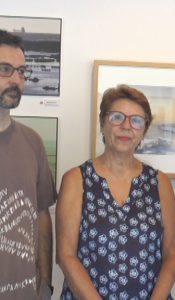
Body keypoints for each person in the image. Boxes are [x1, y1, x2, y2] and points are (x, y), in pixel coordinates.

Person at [56, 84, 175, 299]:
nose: (126, 126)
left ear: (144, 130)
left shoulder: (160, 183)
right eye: (117, 117)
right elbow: (65, 255)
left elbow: (172, 253)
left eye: (136, 120)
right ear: (103, 123)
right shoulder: (76, 180)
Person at [0, 30, 57, 299]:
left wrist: (44, 282)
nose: (16, 80)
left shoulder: (33, 142)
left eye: (21, 71)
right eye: (5, 69)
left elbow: (41, 215)